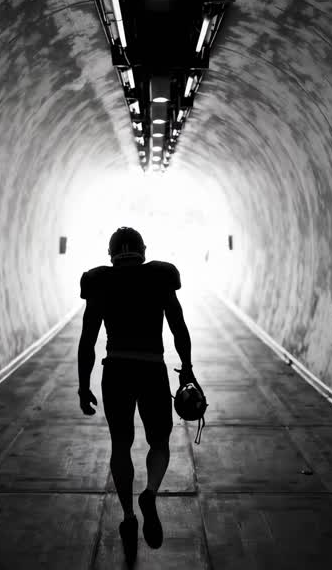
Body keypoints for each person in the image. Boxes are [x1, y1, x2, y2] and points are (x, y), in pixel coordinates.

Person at [77, 226, 197, 563]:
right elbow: (178, 325)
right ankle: (150, 492)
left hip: (116, 369)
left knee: (121, 444)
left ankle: (129, 517)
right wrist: (186, 367)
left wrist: (83, 383)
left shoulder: (100, 282)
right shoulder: (160, 277)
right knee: (159, 442)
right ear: (143, 250)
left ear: (111, 253)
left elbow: (87, 340)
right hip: (151, 368)